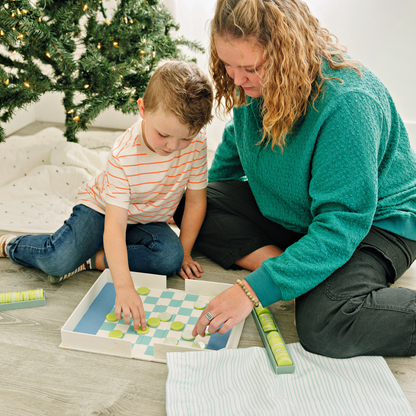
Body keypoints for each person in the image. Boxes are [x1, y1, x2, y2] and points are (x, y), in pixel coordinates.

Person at [173, 0, 416, 358]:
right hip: (298, 211)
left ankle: (305, 274)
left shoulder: (348, 103)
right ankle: (300, 268)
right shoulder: (250, 82)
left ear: (287, 53)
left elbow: (341, 224)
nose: (237, 79)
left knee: (324, 324)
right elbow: (236, 149)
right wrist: (205, 201)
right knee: (192, 202)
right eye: (227, 65)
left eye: (250, 68)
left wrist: (252, 290)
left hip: (373, 223)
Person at [0, 60, 213, 332]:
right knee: (57, 262)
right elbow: (114, 225)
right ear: (142, 110)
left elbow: (195, 200)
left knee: (169, 259)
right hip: (102, 212)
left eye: (184, 138)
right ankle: (11, 244)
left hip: (146, 221)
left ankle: (92, 260)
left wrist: (185, 252)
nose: (173, 147)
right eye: (163, 135)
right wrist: (123, 286)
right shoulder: (124, 154)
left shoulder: (197, 142)